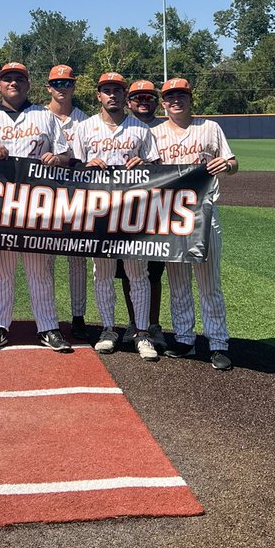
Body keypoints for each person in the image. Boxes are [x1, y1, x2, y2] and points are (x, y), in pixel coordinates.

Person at [0, 61, 73, 353]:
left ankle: (48, 327)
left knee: (39, 270)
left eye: (19, 79)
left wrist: (57, 159)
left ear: (28, 84)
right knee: (1, 271)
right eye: (7, 79)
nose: (13, 83)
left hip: (37, 205)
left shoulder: (46, 116)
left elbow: (68, 156)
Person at [72, 73, 160, 361]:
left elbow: (159, 171)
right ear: (98, 95)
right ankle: (108, 329)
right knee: (103, 274)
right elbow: (71, 171)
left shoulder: (141, 129)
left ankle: (142, 332)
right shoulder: (84, 128)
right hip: (97, 211)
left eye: (117, 91)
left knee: (138, 274)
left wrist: (145, 164)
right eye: (106, 90)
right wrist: (86, 165)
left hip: (134, 211)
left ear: (125, 96)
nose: (112, 95)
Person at [152, 77, 237, 371]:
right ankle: (185, 339)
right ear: (163, 103)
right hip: (171, 218)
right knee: (178, 283)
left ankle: (217, 343)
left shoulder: (210, 127)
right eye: (170, 96)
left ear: (190, 98)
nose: (176, 100)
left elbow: (234, 163)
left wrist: (226, 165)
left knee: (209, 282)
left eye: (181, 95)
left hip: (205, 212)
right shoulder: (155, 133)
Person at [44, 64, 89, 340]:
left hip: (77, 197)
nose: (62, 88)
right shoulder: (36, 117)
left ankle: (78, 316)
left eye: (67, 83)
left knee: (77, 260)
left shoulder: (85, 120)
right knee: (44, 259)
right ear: (48, 87)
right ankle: (47, 315)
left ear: (74, 86)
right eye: (57, 83)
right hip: (45, 197)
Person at [122, 79, 167, 351]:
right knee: (128, 272)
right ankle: (133, 322)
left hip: (158, 209)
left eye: (148, 97)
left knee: (153, 272)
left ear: (155, 101)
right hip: (126, 210)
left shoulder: (165, 130)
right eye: (138, 97)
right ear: (129, 102)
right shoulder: (123, 127)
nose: (143, 101)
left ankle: (153, 324)